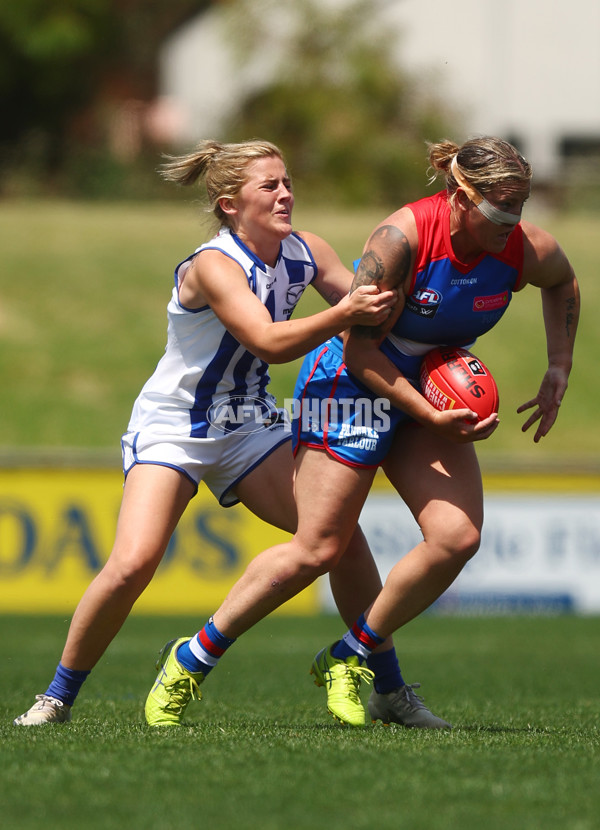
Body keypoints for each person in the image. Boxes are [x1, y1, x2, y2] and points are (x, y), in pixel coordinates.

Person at [146, 135, 579, 730]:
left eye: (522, 205)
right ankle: (192, 658)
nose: (513, 221)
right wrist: (428, 415)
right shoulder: (400, 240)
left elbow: (563, 280)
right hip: (352, 383)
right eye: (500, 208)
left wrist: (559, 365)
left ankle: (351, 657)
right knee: (320, 547)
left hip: (426, 389)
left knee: (457, 538)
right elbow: (360, 354)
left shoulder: (522, 247)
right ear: (459, 196)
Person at [13, 139, 403, 726]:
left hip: (248, 421)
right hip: (175, 424)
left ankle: (389, 691)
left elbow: (373, 315)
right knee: (133, 564)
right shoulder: (213, 265)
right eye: (268, 186)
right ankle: (56, 698)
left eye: (287, 181)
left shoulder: (306, 250)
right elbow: (269, 343)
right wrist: (345, 314)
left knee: (337, 536)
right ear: (228, 204)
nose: (285, 193)